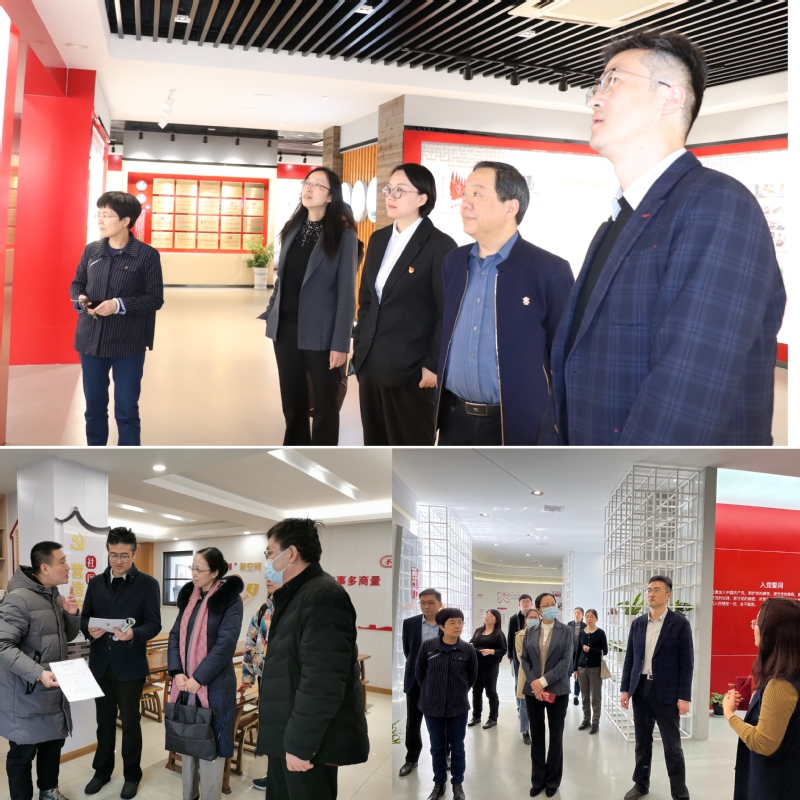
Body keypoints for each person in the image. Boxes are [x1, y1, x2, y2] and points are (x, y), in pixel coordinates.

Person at [541, 29, 786, 446]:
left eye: (613, 80)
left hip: (651, 478)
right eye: (597, 86)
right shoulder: (617, 221)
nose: (596, 98)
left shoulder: (718, 204)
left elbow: (690, 388)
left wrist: (618, 480)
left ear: (671, 98)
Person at [435, 161, 574, 445]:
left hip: (518, 425)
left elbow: (567, 355)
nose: (465, 204)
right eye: (465, 194)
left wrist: (562, 417)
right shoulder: (454, 262)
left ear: (510, 208)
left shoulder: (549, 271)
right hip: (454, 419)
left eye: (477, 194)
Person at [256, 518, 369, 800]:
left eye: (270, 553)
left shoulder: (322, 596)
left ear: (291, 553)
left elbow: (322, 681)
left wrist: (300, 745)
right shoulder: (294, 595)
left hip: (309, 745)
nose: (267, 561)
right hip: (286, 731)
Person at [354, 163, 457, 445]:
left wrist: (433, 365)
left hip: (412, 371)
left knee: (409, 449)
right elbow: (367, 299)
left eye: (400, 191)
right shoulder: (378, 239)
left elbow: (447, 312)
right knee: (375, 446)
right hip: (371, 365)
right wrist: (359, 346)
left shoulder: (440, 246)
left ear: (423, 198)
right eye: (388, 189)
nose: (390, 196)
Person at [259, 167, 358, 445]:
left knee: (326, 406)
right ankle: (295, 453)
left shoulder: (343, 236)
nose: (309, 188)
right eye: (307, 183)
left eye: (317, 185)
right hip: (286, 330)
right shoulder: (292, 228)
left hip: (322, 334)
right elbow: (282, 278)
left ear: (330, 196)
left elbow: (346, 293)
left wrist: (341, 343)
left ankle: (323, 457)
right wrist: (272, 311)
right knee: (293, 402)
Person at [69, 191, 164, 446]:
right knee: (94, 408)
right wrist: (80, 299)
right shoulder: (92, 250)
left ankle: (127, 461)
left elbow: (155, 298)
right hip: (91, 342)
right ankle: (96, 457)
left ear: (125, 221)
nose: (100, 220)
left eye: (107, 215)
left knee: (127, 409)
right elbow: (77, 283)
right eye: (98, 214)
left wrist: (118, 305)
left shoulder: (146, 255)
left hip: (128, 344)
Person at [80, 528, 162, 799]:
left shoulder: (147, 584)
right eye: (113, 555)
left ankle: (132, 775)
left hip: (130, 666)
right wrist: (89, 630)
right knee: (104, 723)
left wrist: (133, 634)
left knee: (130, 724)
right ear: (108, 552)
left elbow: (154, 624)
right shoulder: (96, 583)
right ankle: (102, 772)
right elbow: (85, 618)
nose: (118, 560)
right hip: (101, 665)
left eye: (124, 555)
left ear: (134, 554)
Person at [0, 541, 81, 800]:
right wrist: (37, 673)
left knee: (52, 746)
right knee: (22, 754)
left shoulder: (53, 595)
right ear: (45, 568)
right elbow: (2, 645)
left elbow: (62, 639)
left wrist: (71, 615)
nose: (68, 567)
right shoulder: (18, 599)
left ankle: (48, 792)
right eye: (62, 561)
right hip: (26, 694)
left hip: (52, 691)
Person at [168, 547, 244, 800]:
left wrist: (198, 678)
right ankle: (189, 796)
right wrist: (177, 672)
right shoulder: (191, 597)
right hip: (185, 684)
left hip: (215, 686)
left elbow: (225, 645)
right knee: (188, 743)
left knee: (212, 746)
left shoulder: (230, 600)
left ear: (215, 572)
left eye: (199, 569)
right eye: (192, 568)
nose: (193, 574)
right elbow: (175, 635)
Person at [620, 575, 693, 800]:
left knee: (673, 747)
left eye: (656, 590)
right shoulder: (638, 623)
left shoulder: (679, 623)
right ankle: (641, 784)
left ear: (668, 595)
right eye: (649, 590)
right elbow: (630, 659)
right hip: (641, 689)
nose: (650, 594)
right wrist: (625, 689)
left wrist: (684, 696)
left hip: (667, 693)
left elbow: (687, 663)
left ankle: (679, 793)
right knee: (642, 742)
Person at [723, 597, 800, 800]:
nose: (753, 627)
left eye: (756, 623)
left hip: (776, 783)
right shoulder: (791, 673)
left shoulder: (781, 684)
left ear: (772, 631)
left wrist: (729, 714)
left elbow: (763, 743)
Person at [416, 607, 478, 800]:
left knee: (457, 748)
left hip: (458, 707)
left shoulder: (467, 649)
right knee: (437, 747)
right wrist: (432, 691)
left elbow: (472, 676)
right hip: (431, 706)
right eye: (452, 622)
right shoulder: (428, 647)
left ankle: (457, 784)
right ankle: (439, 784)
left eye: (460, 622)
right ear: (441, 626)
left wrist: (457, 692)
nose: (457, 626)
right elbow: (420, 674)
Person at [521, 592, 572, 798]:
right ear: (539, 610)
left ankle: (553, 781)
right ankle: (537, 780)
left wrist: (542, 682)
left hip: (557, 690)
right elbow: (524, 659)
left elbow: (566, 661)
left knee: (556, 735)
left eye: (553, 603)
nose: (551, 607)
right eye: (546, 605)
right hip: (533, 691)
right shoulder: (531, 630)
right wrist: (535, 684)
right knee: (537, 734)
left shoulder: (566, 631)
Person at [239, 570, 282, 792]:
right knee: (271, 728)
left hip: (288, 682)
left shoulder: (296, 608)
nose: (268, 579)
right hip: (266, 679)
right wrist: (247, 677)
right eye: (268, 575)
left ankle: (286, 777)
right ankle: (273, 776)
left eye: (276, 574)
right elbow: (250, 643)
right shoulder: (264, 610)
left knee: (288, 730)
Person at [399, 588, 444, 777]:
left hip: (440, 680)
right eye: (423, 603)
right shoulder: (410, 623)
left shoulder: (447, 623)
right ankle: (411, 758)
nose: (426, 606)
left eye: (431, 603)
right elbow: (408, 651)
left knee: (441, 722)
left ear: (439, 604)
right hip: (415, 680)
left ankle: (444, 756)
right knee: (413, 722)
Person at [468, 609, 507, 729]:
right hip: (476, 665)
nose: (487, 616)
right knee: (476, 692)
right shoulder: (478, 630)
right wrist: (470, 645)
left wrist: (491, 651)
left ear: (496, 620)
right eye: (486, 614)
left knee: (491, 692)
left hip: (490, 667)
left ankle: (493, 718)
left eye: (491, 615)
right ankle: (476, 716)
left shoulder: (498, 634)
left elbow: (503, 650)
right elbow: (472, 642)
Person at [576, 609, 608, 734]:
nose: (589, 619)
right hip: (582, 668)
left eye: (592, 617)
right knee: (584, 696)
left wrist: (591, 650)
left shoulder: (600, 633)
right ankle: (586, 720)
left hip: (595, 669)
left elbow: (604, 651)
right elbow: (578, 652)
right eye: (587, 616)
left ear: (596, 619)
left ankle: (595, 723)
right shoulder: (582, 633)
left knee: (595, 697)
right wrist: (575, 669)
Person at [515, 608, 541, 745]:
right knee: (524, 704)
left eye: (535, 617)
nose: (533, 620)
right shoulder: (520, 635)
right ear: (525, 619)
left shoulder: (543, 634)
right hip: (526, 673)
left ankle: (536, 729)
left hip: (542, 674)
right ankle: (525, 731)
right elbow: (521, 656)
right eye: (530, 617)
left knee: (537, 703)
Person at [567, 607, 586, 706]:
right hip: (570, 653)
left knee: (578, 674)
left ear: (582, 615)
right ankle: (566, 693)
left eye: (579, 613)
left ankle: (576, 695)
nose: (576, 614)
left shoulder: (585, 626)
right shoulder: (569, 625)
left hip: (580, 654)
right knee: (567, 673)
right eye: (575, 613)